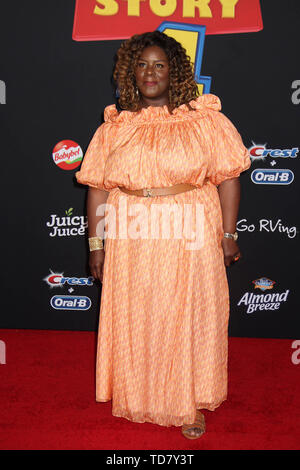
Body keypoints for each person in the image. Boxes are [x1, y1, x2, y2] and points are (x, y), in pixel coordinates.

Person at [75, 31, 251, 439]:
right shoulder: (114, 128)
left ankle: (187, 401)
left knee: (190, 314)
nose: (149, 73)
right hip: (132, 229)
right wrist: (96, 244)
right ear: (129, 72)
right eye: (141, 64)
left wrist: (228, 234)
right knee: (140, 314)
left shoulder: (205, 120)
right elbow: (98, 188)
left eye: (159, 64)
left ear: (174, 71)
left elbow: (228, 180)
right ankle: (141, 393)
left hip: (190, 225)